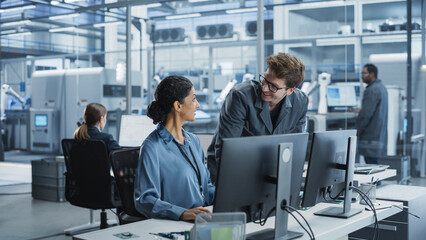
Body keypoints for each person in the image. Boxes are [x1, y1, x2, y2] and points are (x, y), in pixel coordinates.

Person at [207, 52, 309, 184]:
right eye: (264, 79)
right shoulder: (240, 96)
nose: (265, 88)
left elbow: (296, 147)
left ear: (290, 90)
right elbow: (227, 151)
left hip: (270, 174)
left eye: (273, 86)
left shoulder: (300, 102)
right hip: (232, 171)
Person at [134, 75, 215, 221]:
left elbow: (206, 187)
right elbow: (145, 199)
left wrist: (230, 198)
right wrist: (181, 213)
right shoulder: (152, 147)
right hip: (175, 225)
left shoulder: (194, 141)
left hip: (203, 219)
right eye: (194, 99)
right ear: (178, 106)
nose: (198, 105)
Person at [357, 63, 388, 164]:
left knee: (372, 167)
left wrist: (356, 131)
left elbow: (366, 115)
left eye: (364, 73)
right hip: (378, 135)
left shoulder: (372, 90)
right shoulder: (381, 87)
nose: (362, 75)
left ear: (372, 74)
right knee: (375, 166)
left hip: (370, 137)